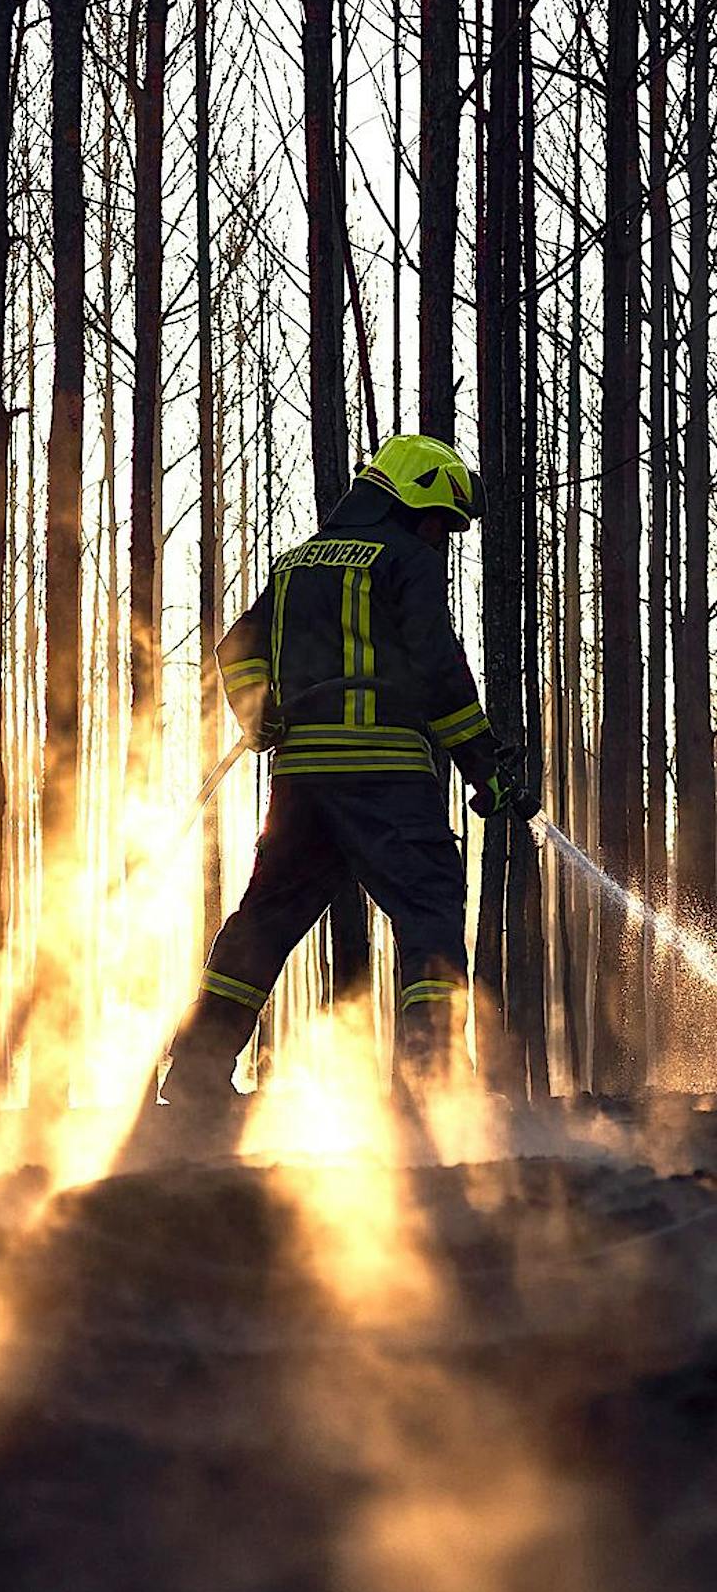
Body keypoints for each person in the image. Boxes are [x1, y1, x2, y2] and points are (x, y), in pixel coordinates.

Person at [158, 433, 537, 1130]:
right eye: (439, 521)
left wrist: (257, 706)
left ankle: (196, 1075)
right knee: (427, 913)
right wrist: (485, 766)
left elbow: (238, 645)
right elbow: (438, 671)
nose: (441, 538)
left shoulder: (298, 564)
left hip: (301, 783)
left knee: (264, 920)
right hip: (385, 777)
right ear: (411, 498)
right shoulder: (407, 561)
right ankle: (430, 1087)